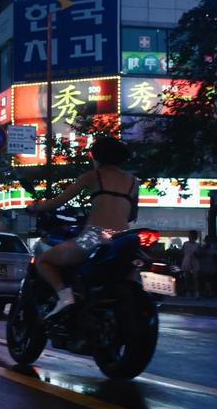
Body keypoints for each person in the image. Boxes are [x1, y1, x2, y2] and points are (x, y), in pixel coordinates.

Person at [27, 137, 138, 320]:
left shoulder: (93, 176)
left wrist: (35, 207)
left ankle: (65, 298)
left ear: (96, 157)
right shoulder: (133, 182)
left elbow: (58, 201)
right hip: (122, 237)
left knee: (44, 260)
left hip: (95, 235)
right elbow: (132, 215)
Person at [180, 231, 201, 298]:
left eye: (190, 235)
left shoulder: (197, 245)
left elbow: (199, 255)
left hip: (194, 261)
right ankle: (188, 292)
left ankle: (196, 292)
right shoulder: (185, 244)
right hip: (187, 261)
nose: (189, 237)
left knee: (195, 278)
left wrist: (196, 254)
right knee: (187, 277)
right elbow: (182, 252)